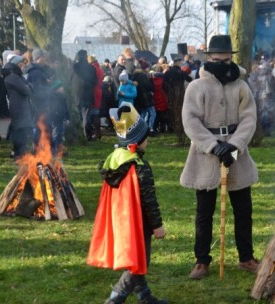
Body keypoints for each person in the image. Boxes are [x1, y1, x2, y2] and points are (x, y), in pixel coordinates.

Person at [180, 35, 259, 280]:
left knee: (243, 209)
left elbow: (249, 119)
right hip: (206, 154)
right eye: (217, 60)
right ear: (209, 58)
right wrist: (213, 147)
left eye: (226, 60)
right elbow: (190, 121)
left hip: (237, 152)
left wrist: (233, 146)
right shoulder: (196, 87)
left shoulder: (241, 86)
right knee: (205, 212)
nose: (222, 65)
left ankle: (246, 258)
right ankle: (202, 261)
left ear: (231, 58)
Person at [87, 102, 167, 304]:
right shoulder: (140, 166)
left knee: (135, 260)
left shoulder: (114, 158)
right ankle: (115, 298)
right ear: (138, 141)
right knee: (140, 261)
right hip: (139, 222)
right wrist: (157, 225)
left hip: (119, 219)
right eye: (145, 137)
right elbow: (149, 199)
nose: (147, 141)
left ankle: (144, 296)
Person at [2, 55, 33, 160]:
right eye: (21, 63)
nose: (23, 65)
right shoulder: (12, 76)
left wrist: (28, 86)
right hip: (18, 106)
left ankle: (20, 153)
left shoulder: (16, 75)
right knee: (19, 130)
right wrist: (28, 86)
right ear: (16, 64)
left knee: (22, 129)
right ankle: (18, 153)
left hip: (20, 105)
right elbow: (26, 90)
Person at [71, 49, 97, 140]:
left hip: (76, 94)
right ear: (86, 57)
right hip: (87, 94)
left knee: (78, 115)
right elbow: (95, 81)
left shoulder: (74, 67)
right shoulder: (91, 68)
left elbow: (70, 79)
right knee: (86, 115)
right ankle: (87, 135)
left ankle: (77, 134)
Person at [47, 80, 69, 155]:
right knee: (55, 134)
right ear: (57, 88)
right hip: (55, 118)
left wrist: (67, 118)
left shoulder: (62, 97)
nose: (62, 89)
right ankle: (54, 150)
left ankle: (60, 150)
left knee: (60, 135)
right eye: (61, 87)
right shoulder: (51, 97)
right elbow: (51, 109)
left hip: (61, 118)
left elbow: (65, 108)